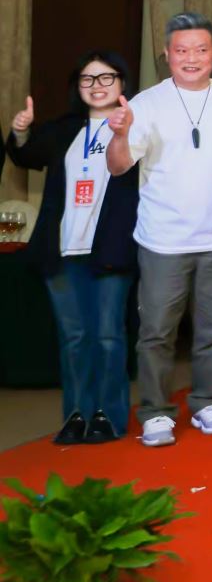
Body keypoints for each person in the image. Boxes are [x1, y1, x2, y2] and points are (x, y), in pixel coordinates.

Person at [105, 12, 212, 449]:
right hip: (163, 241)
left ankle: (208, 401)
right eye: (182, 50)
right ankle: (155, 411)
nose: (192, 58)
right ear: (167, 54)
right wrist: (120, 134)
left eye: (201, 50)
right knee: (157, 332)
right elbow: (118, 167)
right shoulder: (146, 104)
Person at [7, 52, 139, 443]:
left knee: (109, 336)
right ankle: (77, 414)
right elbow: (26, 155)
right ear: (77, 87)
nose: (97, 86)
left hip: (111, 249)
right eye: (88, 79)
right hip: (62, 249)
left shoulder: (137, 127)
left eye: (106, 77)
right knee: (75, 338)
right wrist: (20, 131)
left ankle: (107, 416)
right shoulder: (63, 129)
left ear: (122, 83)